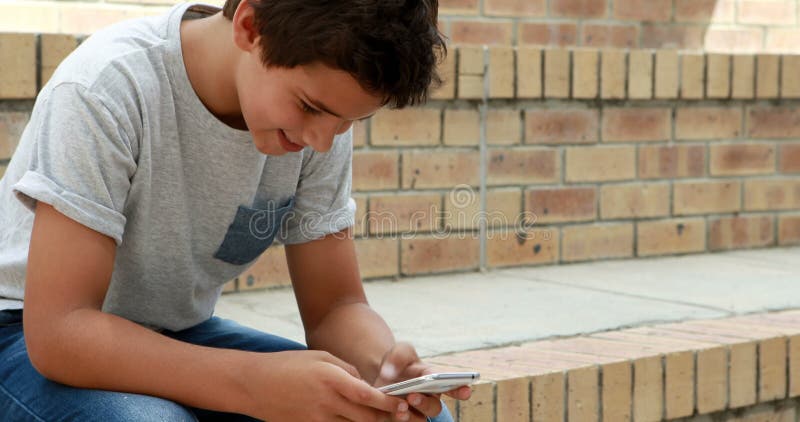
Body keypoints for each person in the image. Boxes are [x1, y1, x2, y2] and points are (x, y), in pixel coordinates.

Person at [0, 0, 471, 420]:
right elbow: (61, 331)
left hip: (177, 333)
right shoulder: (107, 88)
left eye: (351, 120)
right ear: (249, 26)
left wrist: (382, 367)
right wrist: (252, 385)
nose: (323, 140)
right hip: (23, 337)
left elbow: (335, 306)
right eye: (310, 108)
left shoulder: (320, 125)